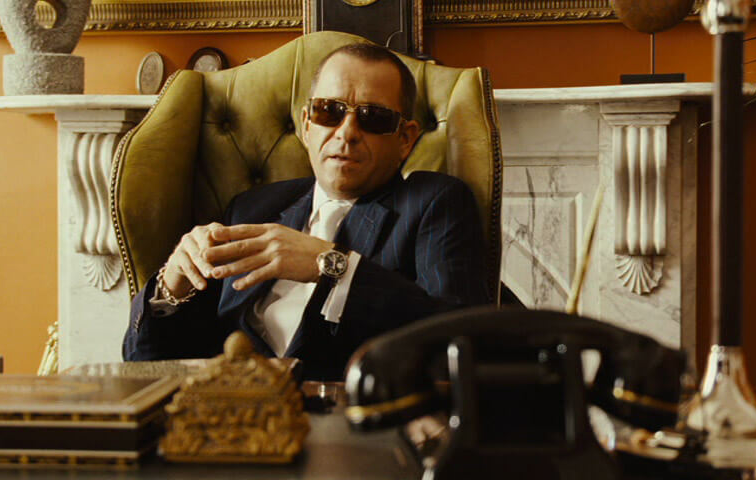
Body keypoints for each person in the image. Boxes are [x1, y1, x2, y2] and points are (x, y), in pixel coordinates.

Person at [123, 43, 490, 380]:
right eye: (329, 111)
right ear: (306, 124)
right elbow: (146, 366)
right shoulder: (252, 208)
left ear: (405, 139)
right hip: (236, 414)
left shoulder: (433, 202)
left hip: (351, 419)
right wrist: (170, 289)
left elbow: (461, 338)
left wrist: (334, 266)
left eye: (373, 117)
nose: (346, 132)